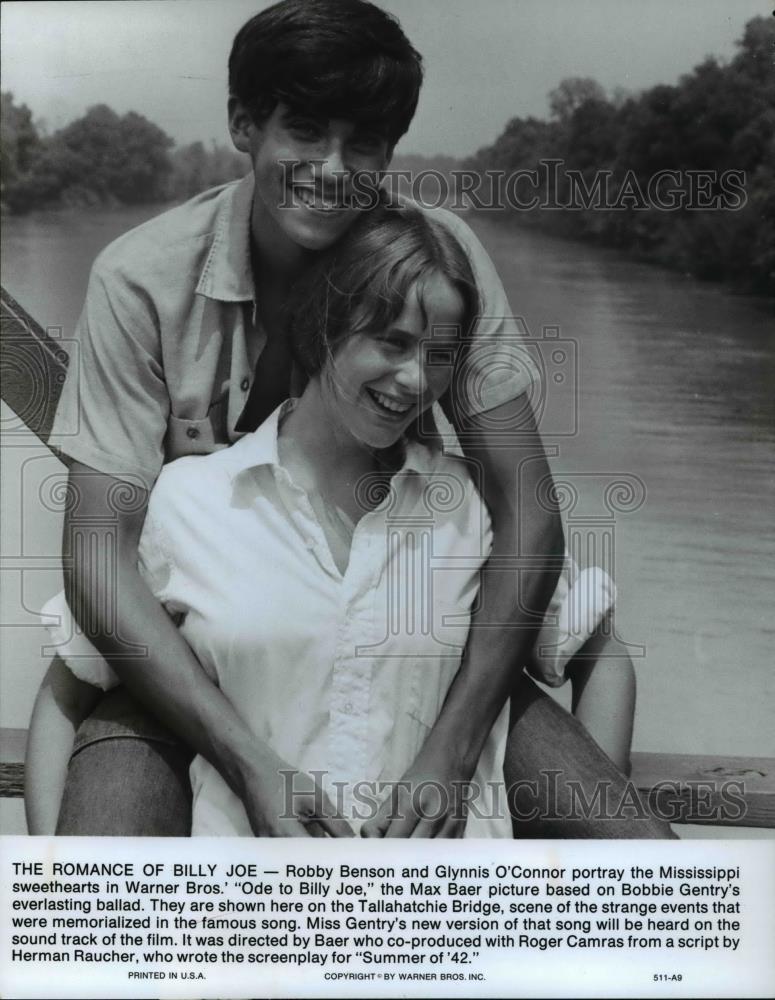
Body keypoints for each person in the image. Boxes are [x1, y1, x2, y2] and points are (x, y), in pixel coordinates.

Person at [27, 0, 672, 838]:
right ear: (242, 124)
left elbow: (527, 510)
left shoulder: (439, 261)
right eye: (303, 130)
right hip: (189, 660)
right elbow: (98, 555)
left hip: (413, 650)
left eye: (364, 142)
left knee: (662, 895)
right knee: (98, 923)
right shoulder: (141, 278)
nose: (333, 169)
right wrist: (245, 759)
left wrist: (455, 743)